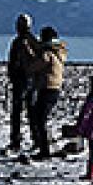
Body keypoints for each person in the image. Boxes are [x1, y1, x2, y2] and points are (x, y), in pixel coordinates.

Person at [28, 25, 67, 160]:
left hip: (47, 87)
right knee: (41, 119)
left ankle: (44, 149)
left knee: (40, 119)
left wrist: (28, 67)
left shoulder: (48, 53)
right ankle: (45, 147)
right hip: (55, 87)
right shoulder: (59, 51)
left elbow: (38, 64)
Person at [7, 13, 39, 152]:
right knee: (29, 112)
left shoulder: (23, 42)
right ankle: (33, 138)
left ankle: (19, 139)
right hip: (27, 80)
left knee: (21, 111)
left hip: (24, 80)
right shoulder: (33, 41)